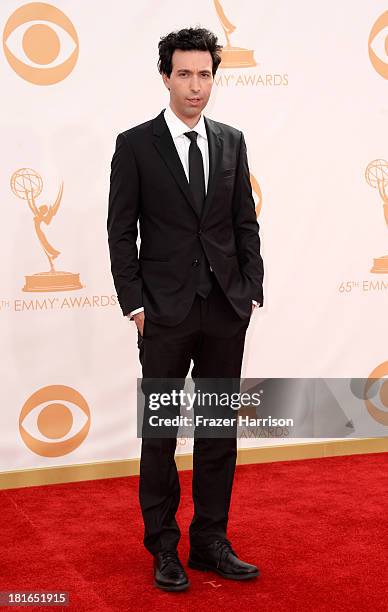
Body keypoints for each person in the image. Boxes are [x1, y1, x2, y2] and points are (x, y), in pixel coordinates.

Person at [107, 27, 264, 592]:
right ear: (165, 77)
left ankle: (210, 540)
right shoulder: (135, 144)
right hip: (164, 313)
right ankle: (163, 548)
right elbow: (121, 233)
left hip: (225, 307)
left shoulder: (231, 140)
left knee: (219, 431)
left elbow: (244, 220)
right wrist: (135, 304)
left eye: (205, 75)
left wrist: (250, 290)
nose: (196, 86)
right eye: (185, 74)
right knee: (162, 434)